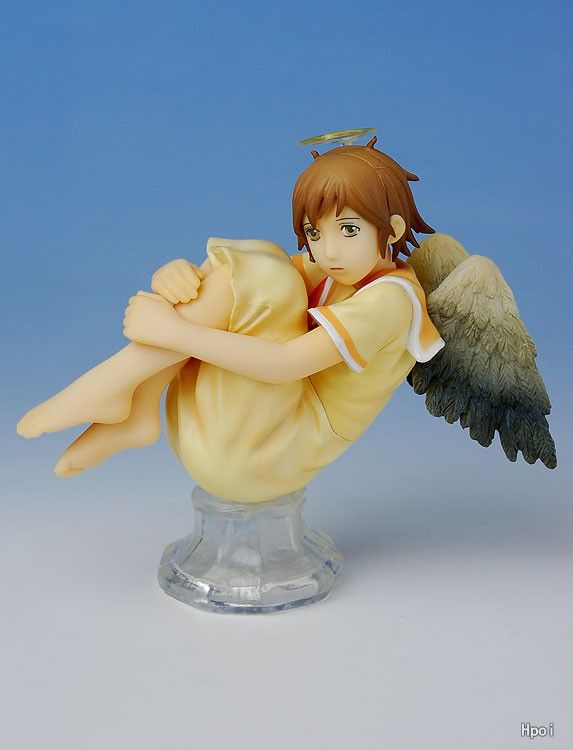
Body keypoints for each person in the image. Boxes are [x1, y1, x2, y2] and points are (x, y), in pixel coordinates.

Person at [16, 139, 444, 501]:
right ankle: (139, 402)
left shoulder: (393, 300)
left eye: (349, 230)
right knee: (268, 260)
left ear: (392, 230)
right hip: (231, 429)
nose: (328, 251)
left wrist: (173, 330)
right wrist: (178, 277)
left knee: (271, 275)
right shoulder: (338, 269)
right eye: (315, 233)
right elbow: (239, 281)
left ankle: (115, 382)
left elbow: (287, 364)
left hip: (267, 454)